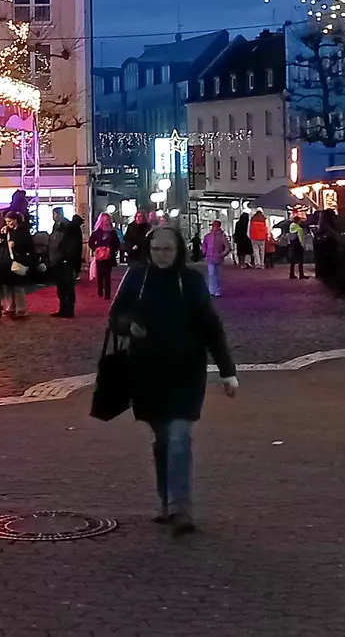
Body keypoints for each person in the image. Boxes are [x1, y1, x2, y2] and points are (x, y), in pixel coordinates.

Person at [109, 223, 238, 536]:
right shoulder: (138, 277)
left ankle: (182, 506)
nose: (161, 255)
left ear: (178, 250)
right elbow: (116, 315)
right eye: (156, 250)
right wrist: (129, 326)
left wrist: (227, 371)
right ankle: (165, 499)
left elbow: (210, 326)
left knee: (179, 433)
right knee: (163, 438)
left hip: (185, 370)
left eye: (167, 249)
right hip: (148, 371)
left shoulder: (190, 281)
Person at [51, 208, 84, 318]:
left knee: (67, 286)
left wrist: (67, 257)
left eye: (54, 214)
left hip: (66, 261)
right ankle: (63, 308)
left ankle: (68, 309)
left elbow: (71, 245)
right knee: (62, 286)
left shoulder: (68, 227)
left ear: (59, 215)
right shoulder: (59, 226)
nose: (53, 216)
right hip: (60, 260)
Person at [4, 213, 37, 319]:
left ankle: (21, 308)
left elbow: (29, 245)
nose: (8, 224)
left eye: (10, 221)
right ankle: (12, 305)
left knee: (18, 285)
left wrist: (16, 244)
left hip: (19, 260)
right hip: (8, 260)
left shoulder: (23, 231)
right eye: (7, 221)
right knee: (9, 285)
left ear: (15, 220)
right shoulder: (8, 230)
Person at [91, 213, 120, 299]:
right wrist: (96, 249)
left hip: (109, 256)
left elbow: (117, 243)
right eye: (105, 219)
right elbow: (91, 242)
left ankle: (107, 294)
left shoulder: (112, 232)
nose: (107, 221)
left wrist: (112, 250)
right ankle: (100, 290)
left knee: (107, 275)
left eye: (108, 219)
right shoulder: (97, 232)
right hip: (100, 256)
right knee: (100, 274)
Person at [198, 220, 228, 298]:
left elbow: (227, 247)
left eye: (215, 226)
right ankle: (212, 290)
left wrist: (222, 254)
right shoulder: (208, 236)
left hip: (218, 258)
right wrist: (205, 251)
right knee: (211, 274)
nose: (214, 227)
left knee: (216, 275)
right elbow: (204, 244)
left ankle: (217, 290)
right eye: (213, 226)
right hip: (210, 257)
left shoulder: (221, 237)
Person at [314, 209, 342, 288]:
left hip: (324, 248)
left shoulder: (321, 226)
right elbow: (333, 234)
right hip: (329, 247)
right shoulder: (328, 225)